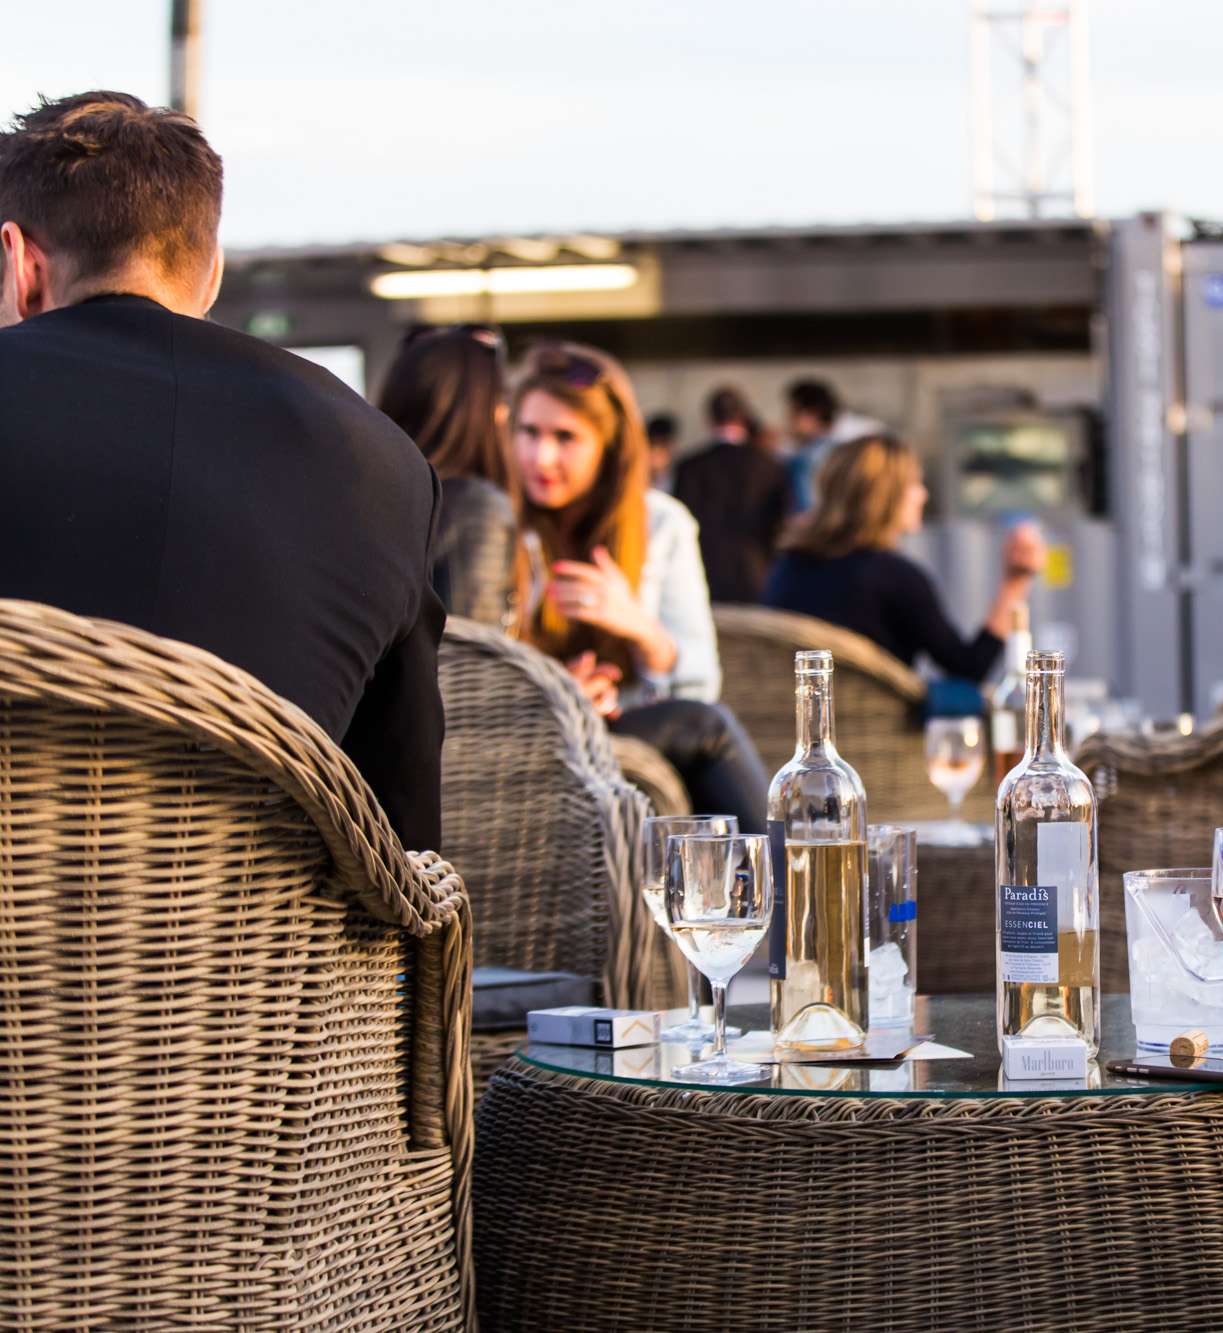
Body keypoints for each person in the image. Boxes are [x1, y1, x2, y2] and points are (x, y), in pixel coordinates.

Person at [0, 91, 445, 850]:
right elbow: (407, 843)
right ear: (210, 274)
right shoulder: (383, 462)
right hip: (258, 925)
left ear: (20, 261)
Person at [513, 343, 768, 827]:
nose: (540, 457)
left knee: (708, 726)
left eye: (565, 437)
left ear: (608, 449)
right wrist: (557, 692)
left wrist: (641, 630)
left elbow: (700, 688)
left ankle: (762, 876)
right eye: (529, 432)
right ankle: (781, 876)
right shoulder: (498, 523)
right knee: (712, 731)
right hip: (520, 733)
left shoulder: (661, 524)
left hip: (622, 732)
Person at [764, 434, 1045, 679]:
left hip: (800, 720)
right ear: (886, 496)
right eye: (915, 484)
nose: (923, 495)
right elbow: (969, 668)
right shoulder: (897, 578)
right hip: (881, 725)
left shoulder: (788, 567)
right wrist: (1015, 583)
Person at [378, 324, 522, 626]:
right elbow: (472, 646)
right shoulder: (476, 508)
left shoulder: (378, 499)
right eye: (501, 400)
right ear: (487, 410)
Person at [672, 385, 790, 604]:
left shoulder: (690, 467)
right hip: (757, 573)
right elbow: (780, 523)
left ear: (709, 419)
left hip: (704, 573)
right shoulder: (771, 466)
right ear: (743, 417)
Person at [783, 377, 841, 512]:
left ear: (812, 414)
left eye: (794, 412)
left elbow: (805, 510)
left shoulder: (803, 460)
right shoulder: (845, 452)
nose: (788, 420)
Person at [644, 411, 678, 491]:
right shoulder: (636, 480)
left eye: (662, 445)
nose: (657, 451)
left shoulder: (685, 477)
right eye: (653, 445)